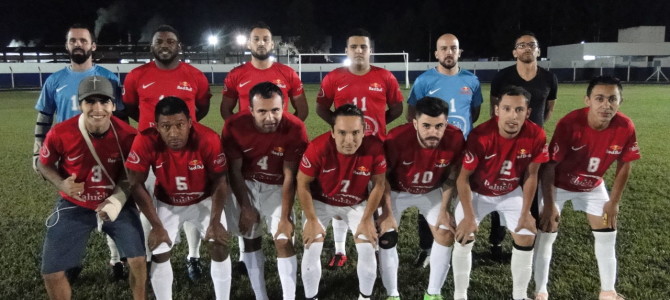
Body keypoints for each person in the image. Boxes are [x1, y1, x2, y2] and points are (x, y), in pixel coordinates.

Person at [37, 76, 146, 300]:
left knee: (138, 260)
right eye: (90, 102)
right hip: (75, 203)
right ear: (80, 104)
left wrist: (115, 201)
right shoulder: (61, 132)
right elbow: (43, 163)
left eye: (104, 102)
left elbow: (132, 175)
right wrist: (61, 184)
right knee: (51, 271)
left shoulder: (129, 136)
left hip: (115, 203)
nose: (98, 109)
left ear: (114, 105)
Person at [33, 23, 126, 281]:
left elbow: (120, 118)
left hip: (105, 155)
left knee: (109, 206)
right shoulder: (54, 80)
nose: (78, 45)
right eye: (73, 41)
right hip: (70, 158)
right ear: (67, 45)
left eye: (83, 41)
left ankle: (116, 261)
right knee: (74, 207)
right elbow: (44, 117)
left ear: (93, 46)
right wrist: (36, 152)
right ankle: (71, 263)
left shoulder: (110, 77)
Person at [533, 76, 639, 300]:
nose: (606, 105)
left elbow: (625, 164)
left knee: (607, 232)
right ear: (588, 100)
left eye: (612, 99)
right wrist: (550, 204)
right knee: (546, 233)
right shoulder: (570, 123)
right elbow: (550, 166)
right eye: (599, 98)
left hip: (592, 185)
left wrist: (614, 202)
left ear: (620, 101)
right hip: (559, 185)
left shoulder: (625, 126)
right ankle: (541, 291)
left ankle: (608, 291)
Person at [122, 24, 212, 281]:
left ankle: (193, 257)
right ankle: (153, 258)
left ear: (179, 45)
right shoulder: (136, 75)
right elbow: (131, 108)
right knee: (147, 206)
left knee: (192, 203)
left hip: (188, 152)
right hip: (150, 154)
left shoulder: (195, 75)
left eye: (170, 41)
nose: (164, 45)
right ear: (152, 46)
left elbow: (201, 109)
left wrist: (180, 133)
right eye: (159, 41)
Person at [125, 97, 232, 300]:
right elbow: (136, 183)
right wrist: (156, 225)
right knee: (160, 249)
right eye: (166, 126)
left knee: (219, 244)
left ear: (190, 123)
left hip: (203, 199)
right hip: (168, 202)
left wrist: (216, 220)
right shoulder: (145, 139)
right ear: (156, 126)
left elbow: (220, 179)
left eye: (179, 125)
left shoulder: (207, 138)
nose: (173, 133)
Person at [315, 28, 403, 266]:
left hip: (374, 147)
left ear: (370, 50)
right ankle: (341, 249)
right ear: (346, 50)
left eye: (363, 47)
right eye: (353, 47)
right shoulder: (334, 77)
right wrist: (340, 129)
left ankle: (372, 239)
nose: (358, 51)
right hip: (345, 147)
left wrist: (377, 126)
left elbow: (397, 108)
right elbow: (321, 108)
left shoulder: (385, 77)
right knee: (342, 193)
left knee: (375, 192)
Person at [452, 86, 549, 300]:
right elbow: (463, 178)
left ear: (528, 112)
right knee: (463, 236)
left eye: (519, 110)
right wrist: (468, 217)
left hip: (510, 192)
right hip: (477, 193)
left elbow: (532, 175)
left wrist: (526, 213)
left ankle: (520, 296)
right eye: (507, 109)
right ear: (497, 110)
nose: (513, 116)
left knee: (526, 236)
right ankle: (460, 295)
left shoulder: (536, 134)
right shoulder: (480, 135)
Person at [222, 82, 308, 300]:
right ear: (250, 110)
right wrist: (246, 207)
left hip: (278, 185)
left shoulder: (295, 128)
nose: (270, 117)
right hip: (246, 183)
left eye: (275, 110)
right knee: (251, 238)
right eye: (262, 111)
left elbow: (290, 175)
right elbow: (234, 171)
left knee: (283, 238)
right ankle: (261, 296)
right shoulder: (234, 126)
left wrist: (286, 216)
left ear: (283, 107)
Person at [405, 33, 483, 267]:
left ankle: (461, 246)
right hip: (432, 151)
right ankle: (426, 248)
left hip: (462, 152)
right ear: (436, 53)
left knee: (463, 199)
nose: (449, 52)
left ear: (459, 52)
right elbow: (412, 115)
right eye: (444, 48)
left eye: (453, 48)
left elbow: (474, 114)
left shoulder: (471, 81)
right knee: (428, 199)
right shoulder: (424, 81)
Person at [379, 97, 465, 299]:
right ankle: (392, 294)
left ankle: (433, 294)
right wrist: (387, 213)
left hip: (431, 190)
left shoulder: (455, 137)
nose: (433, 132)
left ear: (447, 123)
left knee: (445, 234)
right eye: (426, 126)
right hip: (397, 191)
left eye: (439, 126)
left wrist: (444, 210)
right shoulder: (395, 139)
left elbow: (452, 176)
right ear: (415, 123)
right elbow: (382, 178)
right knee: (387, 236)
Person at [298, 104, 386, 300]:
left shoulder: (374, 148)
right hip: (321, 201)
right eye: (342, 133)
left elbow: (379, 185)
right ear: (332, 132)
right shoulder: (318, 147)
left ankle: (364, 297)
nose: (349, 140)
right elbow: (302, 183)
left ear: (364, 131)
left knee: (367, 248)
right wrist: (312, 220)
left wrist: (366, 220)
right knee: (311, 248)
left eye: (355, 132)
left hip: (356, 203)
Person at [488, 31, 558, 260]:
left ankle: (530, 233)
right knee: (501, 189)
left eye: (532, 45)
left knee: (533, 187)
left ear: (538, 50)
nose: (527, 48)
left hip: (534, 144)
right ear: (514, 51)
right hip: (505, 144)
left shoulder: (549, 79)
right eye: (522, 45)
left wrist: (533, 130)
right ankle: (496, 242)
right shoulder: (502, 77)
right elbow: (495, 109)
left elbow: (547, 110)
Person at [220, 21, 308, 121]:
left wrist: (287, 131)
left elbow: (302, 110)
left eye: (266, 39)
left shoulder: (289, 73)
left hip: (279, 136)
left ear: (272, 44)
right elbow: (225, 109)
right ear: (248, 44)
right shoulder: (234, 75)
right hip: (247, 136)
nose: (261, 43)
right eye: (256, 39)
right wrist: (240, 131)